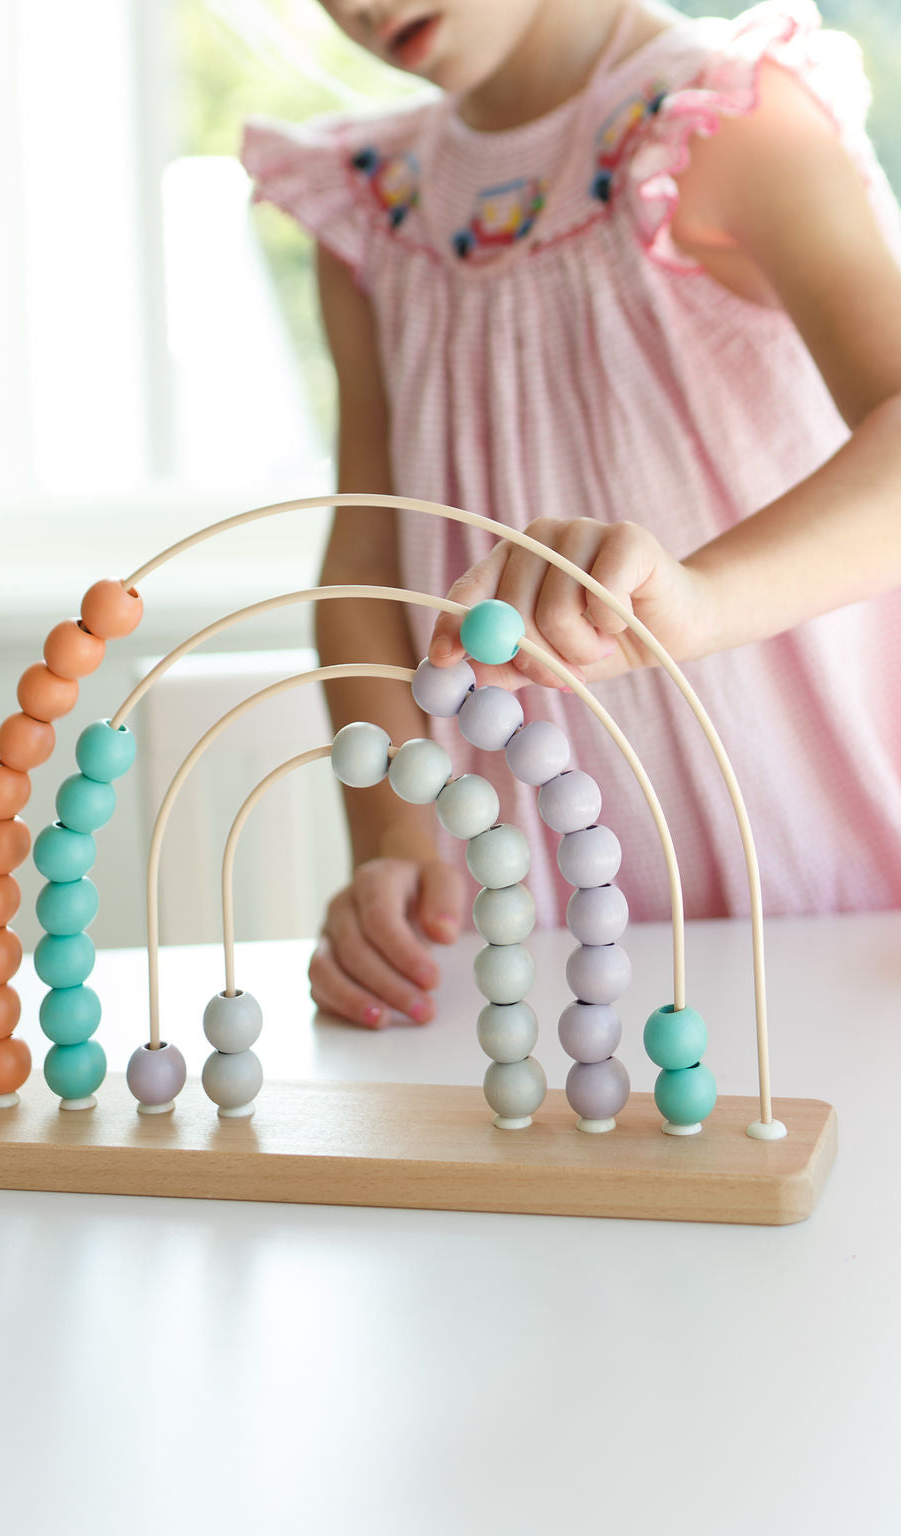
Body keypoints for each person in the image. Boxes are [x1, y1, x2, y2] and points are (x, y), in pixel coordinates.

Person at [241, 0, 901, 1029]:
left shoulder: (722, 120)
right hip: (540, 955)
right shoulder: (369, 211)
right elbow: (363, 568)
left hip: (833, 914)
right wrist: (395, 846)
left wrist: (697, 598)